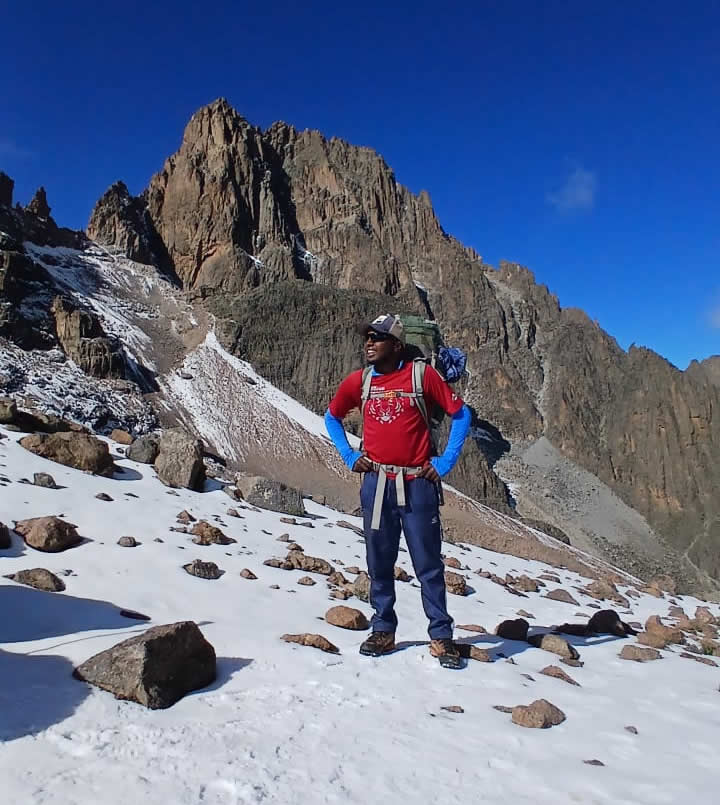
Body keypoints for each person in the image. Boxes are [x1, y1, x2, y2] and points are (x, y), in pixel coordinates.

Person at [324, 313, 472, 668]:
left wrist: (444, 463)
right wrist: (348, 454)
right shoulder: (359, 382)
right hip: (376, 482)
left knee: (428, 564)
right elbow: (332, 416)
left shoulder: (422, 376)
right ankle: (383, 629)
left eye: (377, 337)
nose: (369, 343)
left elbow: (461, 414)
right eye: (368, 337)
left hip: (417, 482)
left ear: (397, 344)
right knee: (379, 560)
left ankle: (440, 636)